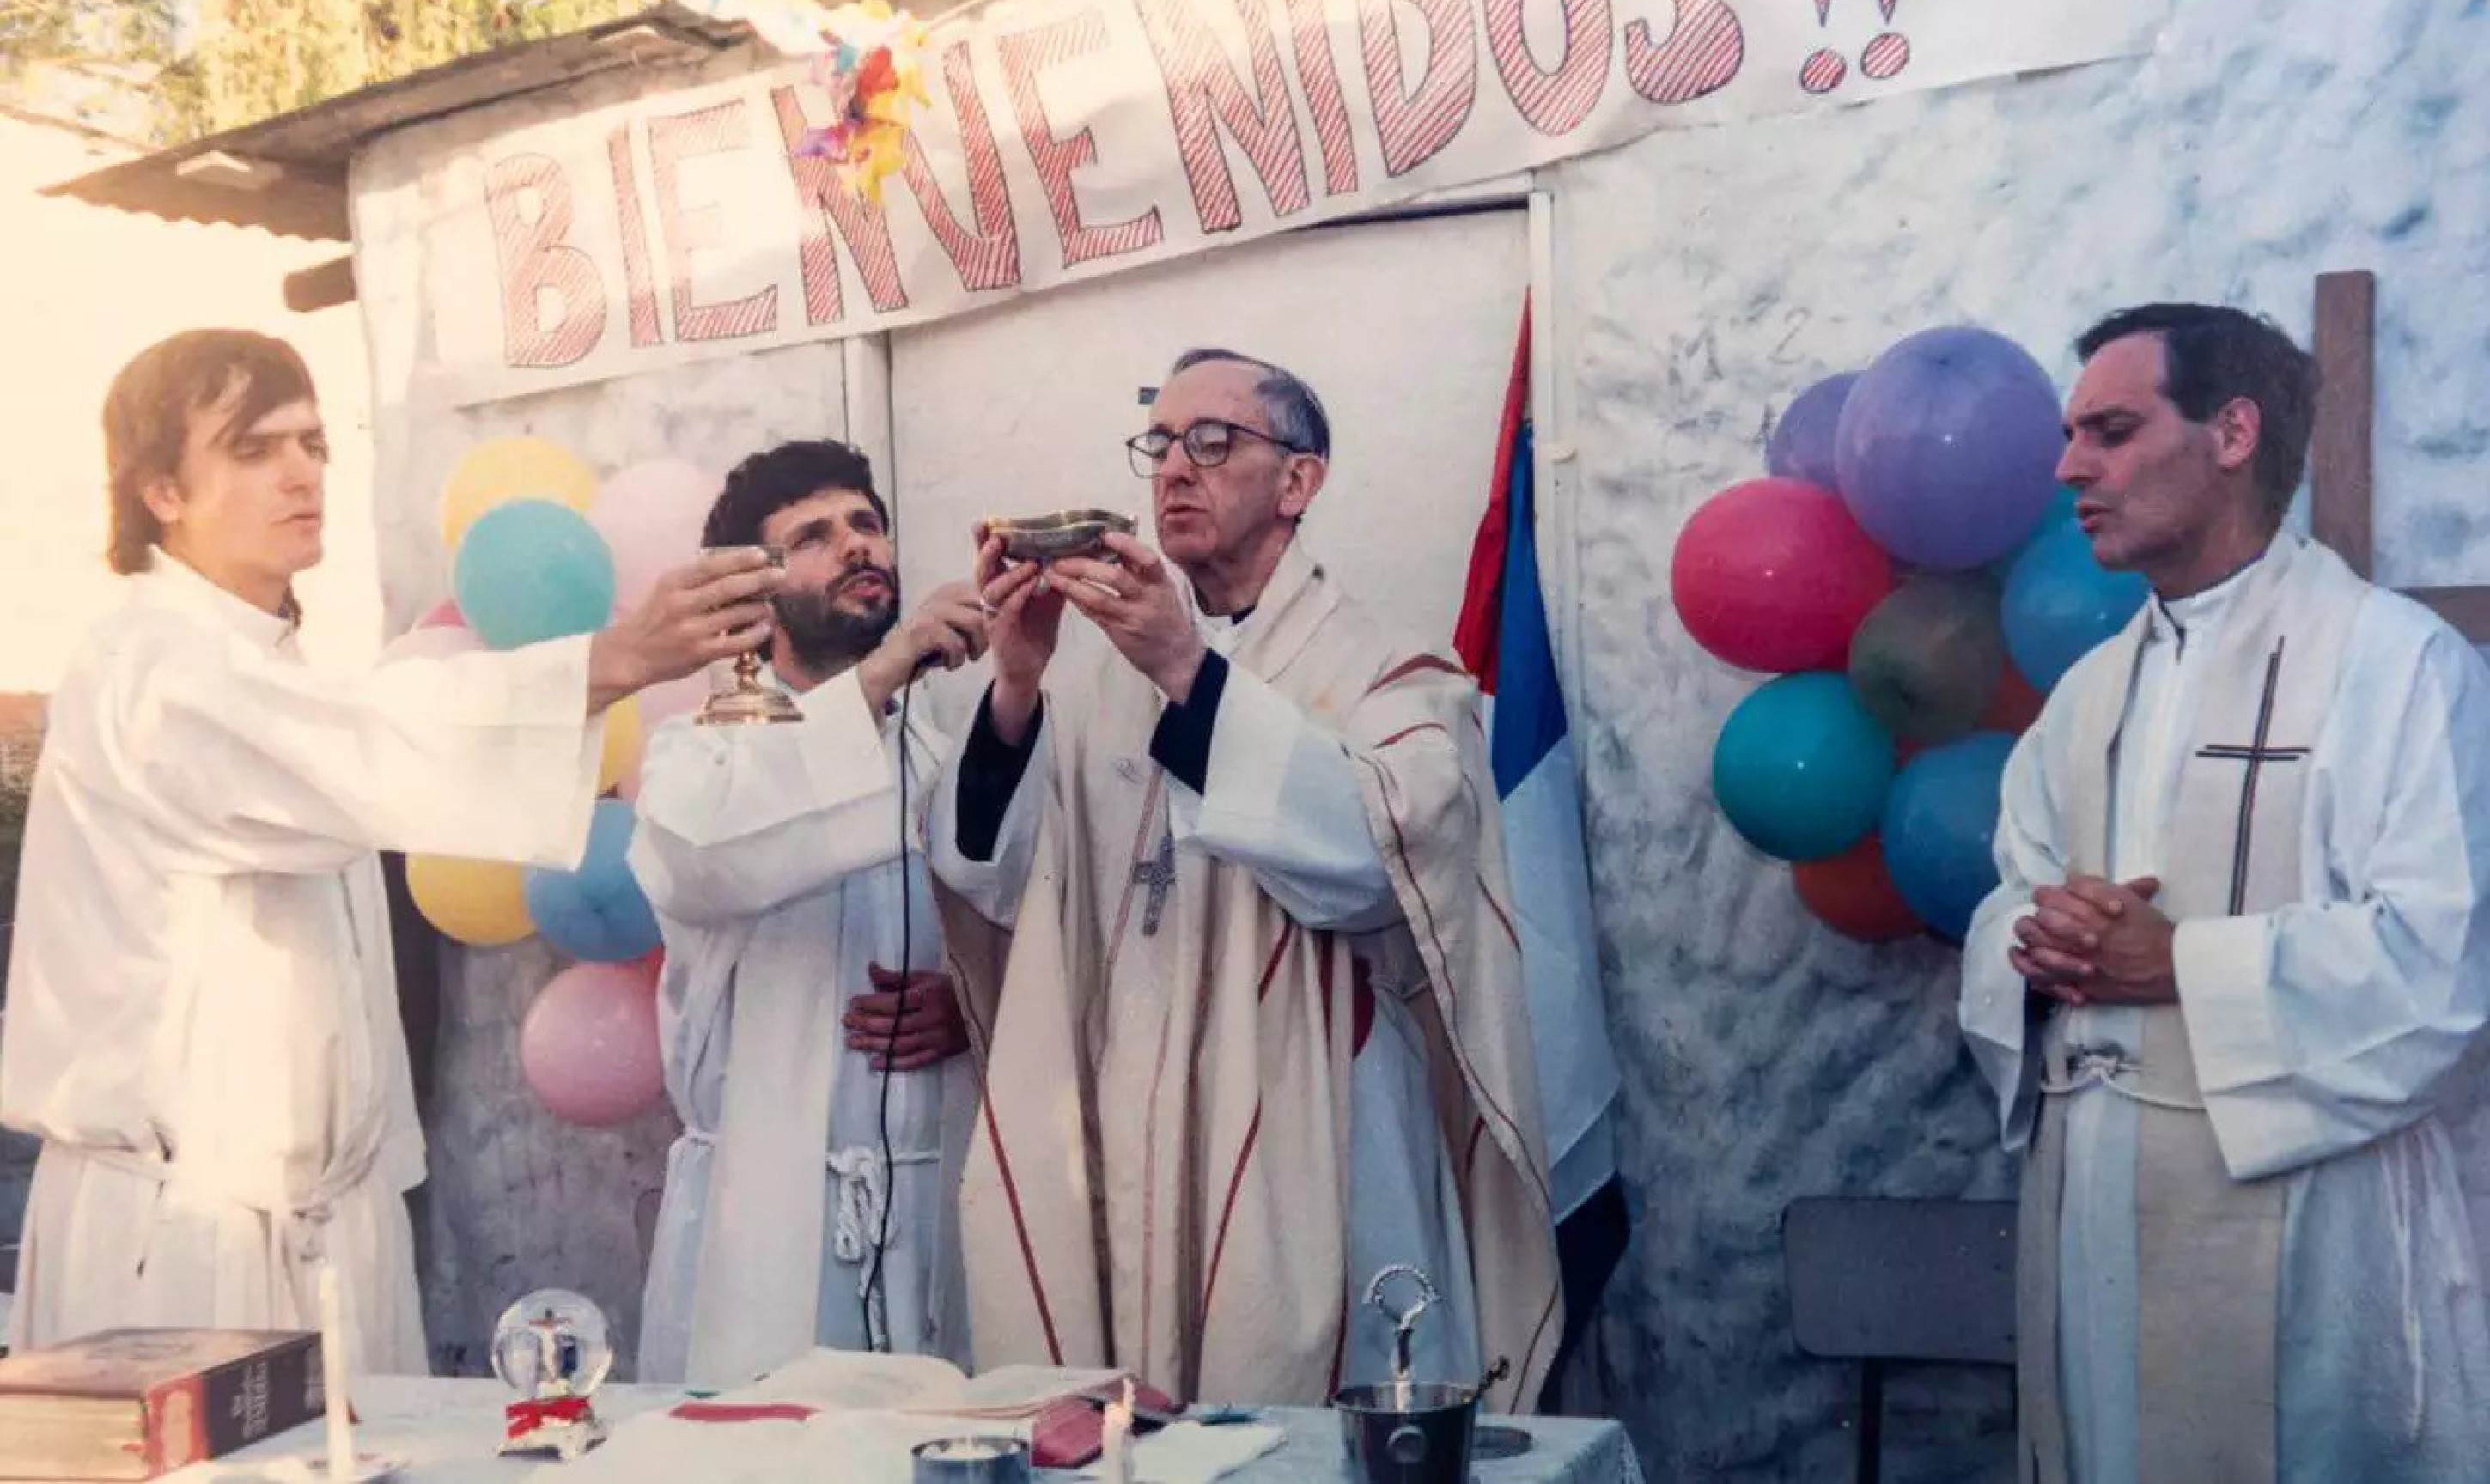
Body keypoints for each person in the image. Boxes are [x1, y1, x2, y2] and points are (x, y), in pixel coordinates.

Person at [1, 330, 774, 1371]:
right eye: (252, 447)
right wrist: (610, 658)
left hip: (324, 1219)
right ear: (161, 492)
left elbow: (345, 743)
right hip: (183, 1238)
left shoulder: (270, 667)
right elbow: (360, 745)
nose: (301, 471)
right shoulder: (148, 666)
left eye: (314, 441)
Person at [928, 349, 1562, 1408]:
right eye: (1160, 442)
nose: (1174, 468)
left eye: (1213, 443)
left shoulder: (1390, 667)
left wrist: (1190, 676)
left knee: (1305, 1414)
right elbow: (994, 880)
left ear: (1298, 481)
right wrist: (1020, 677)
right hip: (1115, 1094)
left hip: (1312, 1112)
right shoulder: (1091, 667)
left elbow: (1381, 865)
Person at [1958, 303, 2490, 1481]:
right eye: (2066, 435)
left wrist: (2174, 962)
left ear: (2232, 430)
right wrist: (2031, 945)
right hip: (2086, 1209)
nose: (2065, 468)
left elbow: (2443, 969)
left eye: (2107, 429)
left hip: (2308, 1229)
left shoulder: (2393, 665)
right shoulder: (2085, 695)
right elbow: (2007, 892)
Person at [629, 440, 989, 1385]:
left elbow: (1030, 925)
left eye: (867, 523)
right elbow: (710, 860)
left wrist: (970, 1002)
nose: (857, 546)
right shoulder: (694, 754)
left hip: (930, 1193)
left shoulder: (943, 748)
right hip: (760, 1213)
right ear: (754, 596)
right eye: (814, 536)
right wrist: (879, 681)